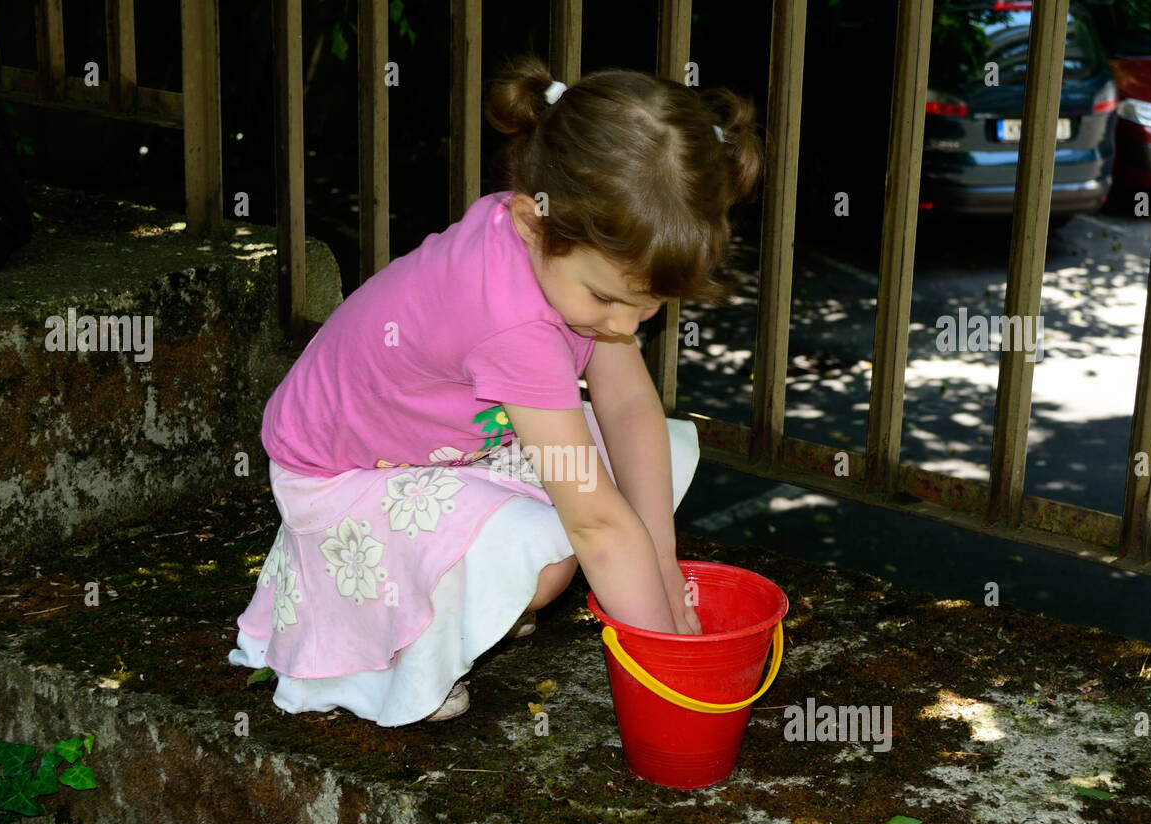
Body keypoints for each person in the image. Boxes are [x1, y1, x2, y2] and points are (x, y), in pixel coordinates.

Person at [228, 54, 762, 725]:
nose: (624, 327)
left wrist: (661, 564)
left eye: (647, 306)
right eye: (606, 299)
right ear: (531, 221)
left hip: (442, 442)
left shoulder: (555, 244)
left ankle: (476, 596)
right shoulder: (511, 320)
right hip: (345, 474)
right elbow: (596, 522)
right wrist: (667, 660)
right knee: (555, 559)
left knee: (639, 474)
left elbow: (627, 405)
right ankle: (404, 659)